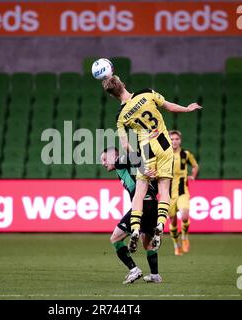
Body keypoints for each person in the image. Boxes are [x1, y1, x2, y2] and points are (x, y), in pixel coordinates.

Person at [102, 75, 201, 253]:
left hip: (146, 149)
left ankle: (134, 229)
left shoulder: (120, 117)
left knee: (139, 194)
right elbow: (169, 107)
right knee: (163, 191)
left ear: (111, 95)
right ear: (122, 83)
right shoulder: (146, 93)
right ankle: (161, 225)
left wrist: (140, 164)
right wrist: (187, 109)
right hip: (164, 145)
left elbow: (125, 145)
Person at [100, 147, 162, 284]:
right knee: (147, 243)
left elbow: (134, 155)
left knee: (115, 238)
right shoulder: (125, 169)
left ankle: (134, 270)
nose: (103, 163)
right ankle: (155, 275)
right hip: (152, 204)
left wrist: (144, 168)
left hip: (142, 205)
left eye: (105, 159)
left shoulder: (118, 162)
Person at [167, 130, 198, 256]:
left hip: (182, 192)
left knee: (185, 216)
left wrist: (193, 176)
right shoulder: (163, 155)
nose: (174, 141)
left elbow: (195, 166)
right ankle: (176, 244)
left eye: (176, 139)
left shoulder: (186, 154)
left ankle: (184, 236)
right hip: (167, 194)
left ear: (180, 140)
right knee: (173, 221)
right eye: (172, 139)